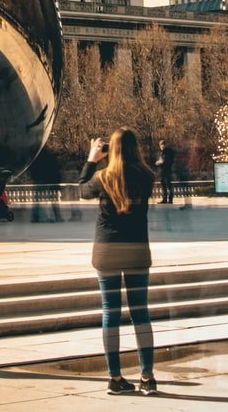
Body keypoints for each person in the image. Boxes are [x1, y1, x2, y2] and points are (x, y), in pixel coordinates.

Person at [80, 128, 157, 396]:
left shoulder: (102, 177)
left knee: (110, 314)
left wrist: (92, 159)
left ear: (110, 149)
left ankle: (115, 377)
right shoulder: (147, 176)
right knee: (141, 314)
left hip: (107, 252)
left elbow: (82, 191)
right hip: (135, 251)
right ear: (136, 148)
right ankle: (147, 377)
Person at [154, 139, 175, 205]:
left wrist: (158, 162)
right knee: (164, 186)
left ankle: (169, 200)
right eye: (161, 145)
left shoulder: (167, 152)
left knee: (168, 186)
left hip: (166, 171)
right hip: (162, 172)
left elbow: (163, 161)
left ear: (165, 145)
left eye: (163, 145)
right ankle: (165, 199)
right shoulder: (162, 152)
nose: (162, 147)